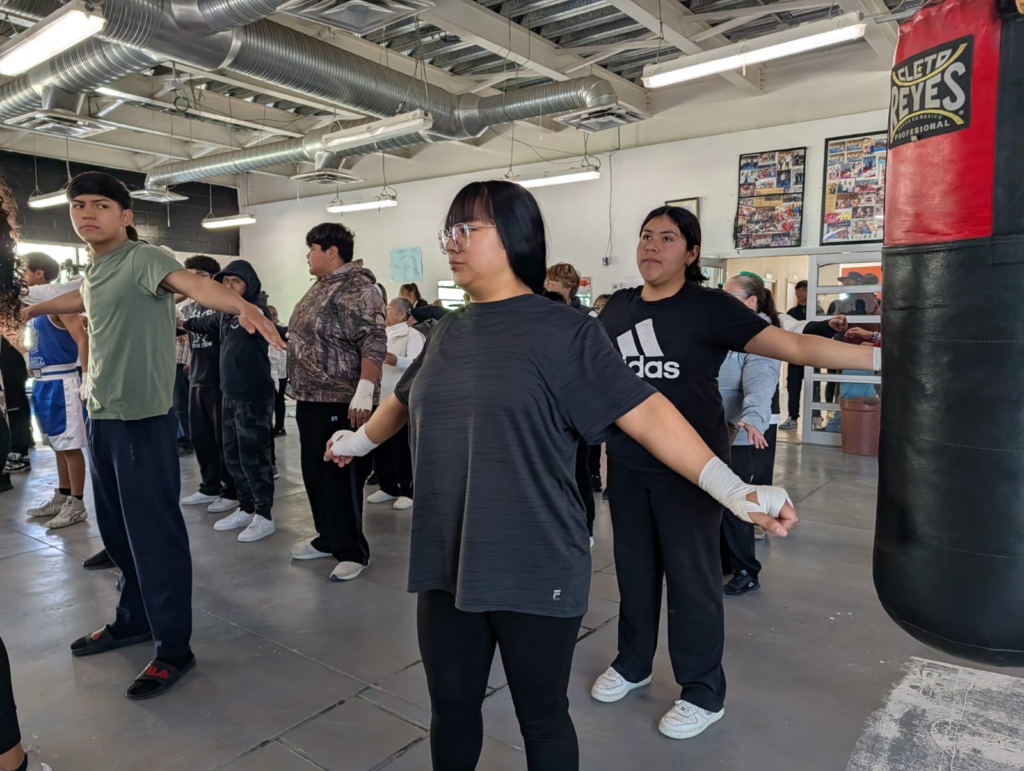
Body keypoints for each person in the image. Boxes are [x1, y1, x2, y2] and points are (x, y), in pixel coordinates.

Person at [325, 181, 798, 771]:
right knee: (451, 708)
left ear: (515, 238)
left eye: (467, 229)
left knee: (542, 717)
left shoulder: (564, 331)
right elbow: (404, 397)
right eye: (449, 231)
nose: (452, 243)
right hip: (448, 558)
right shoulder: (447, 330)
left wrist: (734, 490)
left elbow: (647, 412)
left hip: (535, 561)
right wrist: (359, 441)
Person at [592, 205, 877, 741]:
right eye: (646, 235)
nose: (652, 245)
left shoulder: (709, 308)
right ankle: (632, 663)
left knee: (692, 579)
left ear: (692, 252)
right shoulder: (618, 309)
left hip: (693, 469)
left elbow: (793, 345)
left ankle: (702, 692)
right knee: (633, 571)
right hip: (627, 463)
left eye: (668, 238)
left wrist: (879, 358)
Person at [26, 171, 283, 700]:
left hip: (141, 420)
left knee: (153, 535)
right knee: (117, 532)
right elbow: (81, 297)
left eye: (100, 205)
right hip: (102, 417)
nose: (86, 213)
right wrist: (31, 308)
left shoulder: (144, 258)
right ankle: (133, 619)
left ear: (125, 216)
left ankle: (173, 647)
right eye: (78, 205)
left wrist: (244, 306)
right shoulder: (99, 268)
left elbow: (194, 285)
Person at [288, 222, 386, 582]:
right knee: (315, 473)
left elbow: (373, 338)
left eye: (312, 248)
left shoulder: (358, 287)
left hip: (340, 399)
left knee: (340, 475)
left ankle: (352, 551)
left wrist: (365, 388)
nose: (308, 256)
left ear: (332, 251)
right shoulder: (321, 286)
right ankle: (327, 537)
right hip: (310, 397)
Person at [182, 261, 277, 542]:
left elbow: (267, 325)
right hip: (230, 394)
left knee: (254, 456)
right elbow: (199, 324)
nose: (230, 287)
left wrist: (253, 316)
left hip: (252, 396)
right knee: (233, 455)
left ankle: (264, 514)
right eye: (225, 282)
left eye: (236, 281)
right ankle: (246, 507)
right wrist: (178, 323)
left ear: (249, 284)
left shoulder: (255, 311)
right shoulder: (224, 315)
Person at [718, 273, 782, 596]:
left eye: (729, 296)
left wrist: (753, 418)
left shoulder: (761, 335)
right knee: (715, 500)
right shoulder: (725, 329)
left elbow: (761, 379)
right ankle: (726, 560)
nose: (721, 300)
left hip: (742, 433)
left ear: (751, 301)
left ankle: (747, 570)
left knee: (736, 503)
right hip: (715, 430)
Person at [21, 252, 90, 530]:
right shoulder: (34, 308)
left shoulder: (61, 305)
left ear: (39, 274)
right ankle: (63, 495)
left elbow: (82, 340)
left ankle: (77, 503)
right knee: (57, 445)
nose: (21, 277)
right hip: (43, 382)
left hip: (62, 382)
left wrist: (86, 377)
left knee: (70, 446)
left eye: (24, 271)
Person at [178, 255, 240, 515]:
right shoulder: (188, 307)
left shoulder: (220, 303)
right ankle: (209, 486)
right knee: (201, 438)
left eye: (199, 276)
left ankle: (232, 490)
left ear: (213, 277)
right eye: (188, 276)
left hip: (219, 381)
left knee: (223, 439)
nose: (192, 281)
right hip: (197, 379)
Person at [366, 297, 423, 511]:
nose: (385, 310)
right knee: (380, 444)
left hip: (399, 400)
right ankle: (388, 486)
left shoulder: (412, 336)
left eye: (389, 308)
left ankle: (408, 489)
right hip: (379, 396)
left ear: (401, 314)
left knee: (400, 448)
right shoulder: (382, 334)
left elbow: (419, 363)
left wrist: (398, 360)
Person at [0, 336, 30, 475]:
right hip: (8, 356)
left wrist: (27, 357)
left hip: (11, 358)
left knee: (14, 406)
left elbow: (12, 333)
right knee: (10, 406)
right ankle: (16, 450)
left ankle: (19, 453)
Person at [780, 279, 808, 429]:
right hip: (795, 355)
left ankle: (815, 417)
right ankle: (792, 416)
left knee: (813, 386)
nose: (801, 293)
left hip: (812, 355)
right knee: (793, 386)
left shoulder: (816, 311)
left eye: (804, 290)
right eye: (798, 290)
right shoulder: (792, 313)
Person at [173, 305, 193, 456]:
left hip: (178, 364)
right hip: (170, 365)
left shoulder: (174, 311)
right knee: (176, 406)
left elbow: (185, 337)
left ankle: (186, 442)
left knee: (180, 406)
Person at [268, 305, 289, 437]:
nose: (272, 316)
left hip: (281, 371)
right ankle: (268, 426)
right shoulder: (264, 327)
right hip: (269, 369)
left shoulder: (282, 328)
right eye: (269, 314)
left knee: (279, 399)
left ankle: (280, 426)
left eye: (274, 314)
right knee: (269, 399)